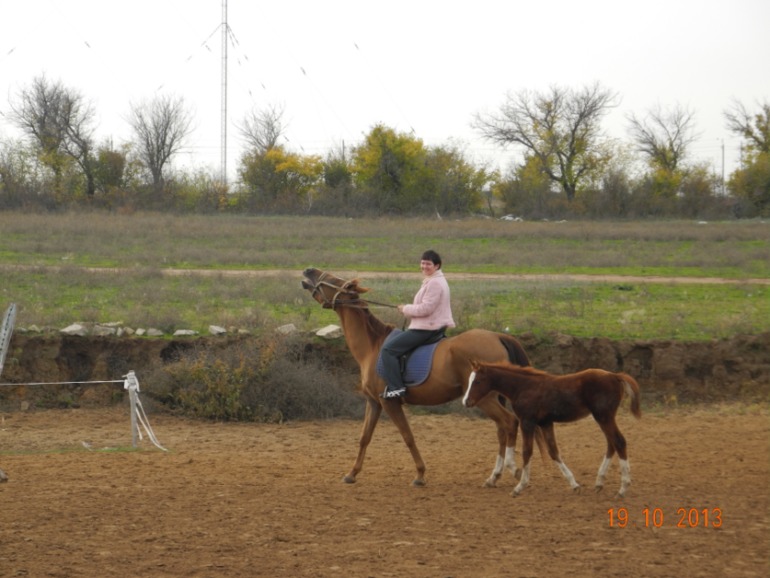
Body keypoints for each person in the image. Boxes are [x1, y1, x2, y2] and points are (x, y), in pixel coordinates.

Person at [380, 249, 456, 399]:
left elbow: (426, 308)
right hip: (432, 325)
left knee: (388, 350)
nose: (424, 266)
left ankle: (396, 388)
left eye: (428, 264)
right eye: (422, 263)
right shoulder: (435, 280)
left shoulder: (434, 283)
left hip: (427, 328)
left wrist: (406, 308)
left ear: (437, 266)